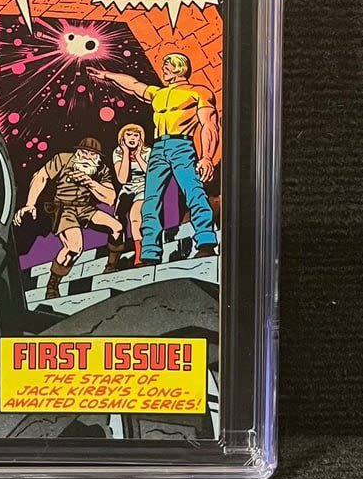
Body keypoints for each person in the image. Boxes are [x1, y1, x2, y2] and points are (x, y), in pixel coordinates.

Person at [92, 53, 219, 265]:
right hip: (158, 148)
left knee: (194, 192)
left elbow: (209, 124)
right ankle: (150, 252)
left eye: (167, 66)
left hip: (181, 145)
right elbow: (133, 85)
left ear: (178, 68)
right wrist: (107, 75)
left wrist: (207, 156)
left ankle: (206, 242)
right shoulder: (159, 94)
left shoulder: (198, 92)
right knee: (151, 200)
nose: (163, 70)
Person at [13, 137, 126, 299]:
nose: (87, 157)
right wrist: (30, 204)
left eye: (92, 155)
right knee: (74, 247)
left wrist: (90, 183)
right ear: (78, 152)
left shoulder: (101, 169)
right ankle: (52, 286)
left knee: (117, 228)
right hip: (63, 209)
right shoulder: (63, 159)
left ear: (97, 158)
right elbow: (41, 176)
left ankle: (112, 267)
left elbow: (110, 198)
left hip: (85, 208)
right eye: (84, 152)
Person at [112, 123, 151, 266]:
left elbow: (150, 173)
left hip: (143, 187)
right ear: (122, 137)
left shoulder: (147, 151)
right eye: (128, 135)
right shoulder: (118, 152)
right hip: (127, 189)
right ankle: (116, 254)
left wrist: (139, 156)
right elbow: (122, 178)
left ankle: (139, 255)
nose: (132, 138)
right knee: (118, 218)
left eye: (136, 135)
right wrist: (126, 153)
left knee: (135, 217)